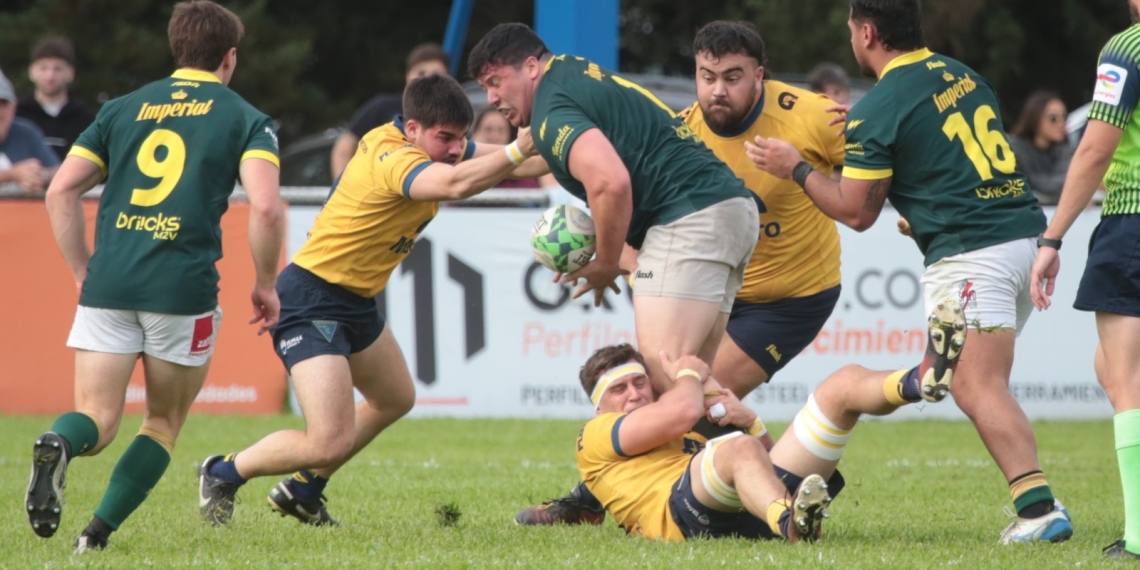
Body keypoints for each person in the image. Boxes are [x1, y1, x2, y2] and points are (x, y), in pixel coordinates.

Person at [746, 0, 1072, 544]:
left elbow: (855, 212)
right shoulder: (963, 75)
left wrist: (794, 167)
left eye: (852, 27)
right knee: (982, 382)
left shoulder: (881, 105)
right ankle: (1038, 503)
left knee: (975, 385)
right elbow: (947, 160)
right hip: (1022, 240)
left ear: (867, 32)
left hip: (973, 254)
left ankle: (1039, 512)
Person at [514, 20, 845, 526]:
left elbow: (879, 165)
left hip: (788, 298)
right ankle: (764, 492)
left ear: (760, 75)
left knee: (681, 391)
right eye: (707, 76)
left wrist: (805, 170)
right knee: (676, 387)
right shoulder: (683, 126)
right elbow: (584, 175)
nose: (717, 90)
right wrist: (484, 160)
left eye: (732, 77)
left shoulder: (811, 114)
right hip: (720, 273)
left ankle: (619, 498)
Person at [197, 73, 544, 527]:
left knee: (395, 397)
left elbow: (515, 165)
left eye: (462, 138)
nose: (457, 148)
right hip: (311, 299)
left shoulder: (433, 145)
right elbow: (457, 184)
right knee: (328, 440)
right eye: (446, 138)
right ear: (413, 128)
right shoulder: (392, 155)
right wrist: (519, 149)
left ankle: (303, 489)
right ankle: (222, 472)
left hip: (355, 301)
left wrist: (570, 148)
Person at [28, 0, 284, 553]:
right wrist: (266, 283)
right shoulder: (246, 117)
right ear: (229, 57)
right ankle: (94, 536)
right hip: (182, 289)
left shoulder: (121, 108)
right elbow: (266, 208)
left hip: (110, 283)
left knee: (97, 418)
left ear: (177, 47)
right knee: (162, 422)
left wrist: (82, 269)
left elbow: (60, 190)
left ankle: (60, 444)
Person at [469, 23, 760, 402]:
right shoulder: (569, 73)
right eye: (485, 87)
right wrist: (458, 153)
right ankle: (753, 442)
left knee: (663, 381)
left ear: (530, 67)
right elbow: (536, 160)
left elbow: (610, 183)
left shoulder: (550, 108)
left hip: (688, 217)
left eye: (495, 82)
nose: (491, 97)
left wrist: (606, 263)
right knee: (694, 381)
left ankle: (763, 445)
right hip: (728, 209)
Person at [576, 295, 967, 542]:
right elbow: (684, 411)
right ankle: (790, 522)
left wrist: (753, 423)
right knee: (736, 448)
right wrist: (690, 373)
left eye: (639, 383)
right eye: (619, 389)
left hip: (746, 508)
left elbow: (766, 467)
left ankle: (920, 380)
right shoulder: (597, 432)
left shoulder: (684, 426)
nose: (634, 394)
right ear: (599, 407)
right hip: (683, 520)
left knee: (841, 386)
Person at [1029, 0, 1140, 559]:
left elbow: (1096, 148)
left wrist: (1053, 238)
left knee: (1124, 377)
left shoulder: (1127, 48)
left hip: (1133, 219)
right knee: (1108, 366)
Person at [329, 43, 449, 179]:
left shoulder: (451, 115)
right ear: (407, 75)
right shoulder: (383, 106)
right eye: (421, 73)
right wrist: (341, 185)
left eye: (436, 75)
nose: (427, 79)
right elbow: (345, 145)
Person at [18, 36, 96, 161]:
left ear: (70, 73)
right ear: (32, 71)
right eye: (43, 68)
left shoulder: (87, 120)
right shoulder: (16, 114)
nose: (50, 76)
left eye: (57, 69)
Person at [1009, 91, 1074, 206]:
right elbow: (1024, 182)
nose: (1061, 123)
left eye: (1064, 117)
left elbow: (1067, 181)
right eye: (1053, 118)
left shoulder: (1065, 150)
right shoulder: (1015, 148)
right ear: (1035, 119)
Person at [0, 69, 59, 192]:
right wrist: (12, 175)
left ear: (14, 107)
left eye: (3, 103)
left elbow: (59, 171)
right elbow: (15, 174)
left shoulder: (26, 132)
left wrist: (41, 176)